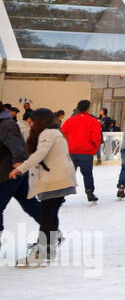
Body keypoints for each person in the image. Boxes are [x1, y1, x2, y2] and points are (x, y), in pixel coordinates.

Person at [8, 108, 79, 266]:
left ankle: (41, 253)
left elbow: (40, 154)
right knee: (51, 215)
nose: (30, 123)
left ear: (41, 120)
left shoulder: (48, 133)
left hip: (54, 180)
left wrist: (20, 169)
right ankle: (48, 250)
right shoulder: (55, 132)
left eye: (33, 120)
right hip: (59, 179)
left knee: (48, 216)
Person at [0, 104, 41, 237]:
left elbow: (16, 145)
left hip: (9, 173)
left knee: (30, 203)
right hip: (13, 172)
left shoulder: (6, 124)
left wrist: (19, 163)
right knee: (30, 203)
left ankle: (52, 231)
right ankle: (53, 231)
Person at [61, 99, 102, 204]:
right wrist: (94, 149)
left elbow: (63, 132)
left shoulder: (70, 120)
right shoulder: (93, 121)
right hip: (86, 152)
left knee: (69, 174)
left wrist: (70, 142)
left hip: (72, 151)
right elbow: (97, 137)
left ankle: (61, 195)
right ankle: (89, 192)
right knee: (87, 174)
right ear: (88, 108)